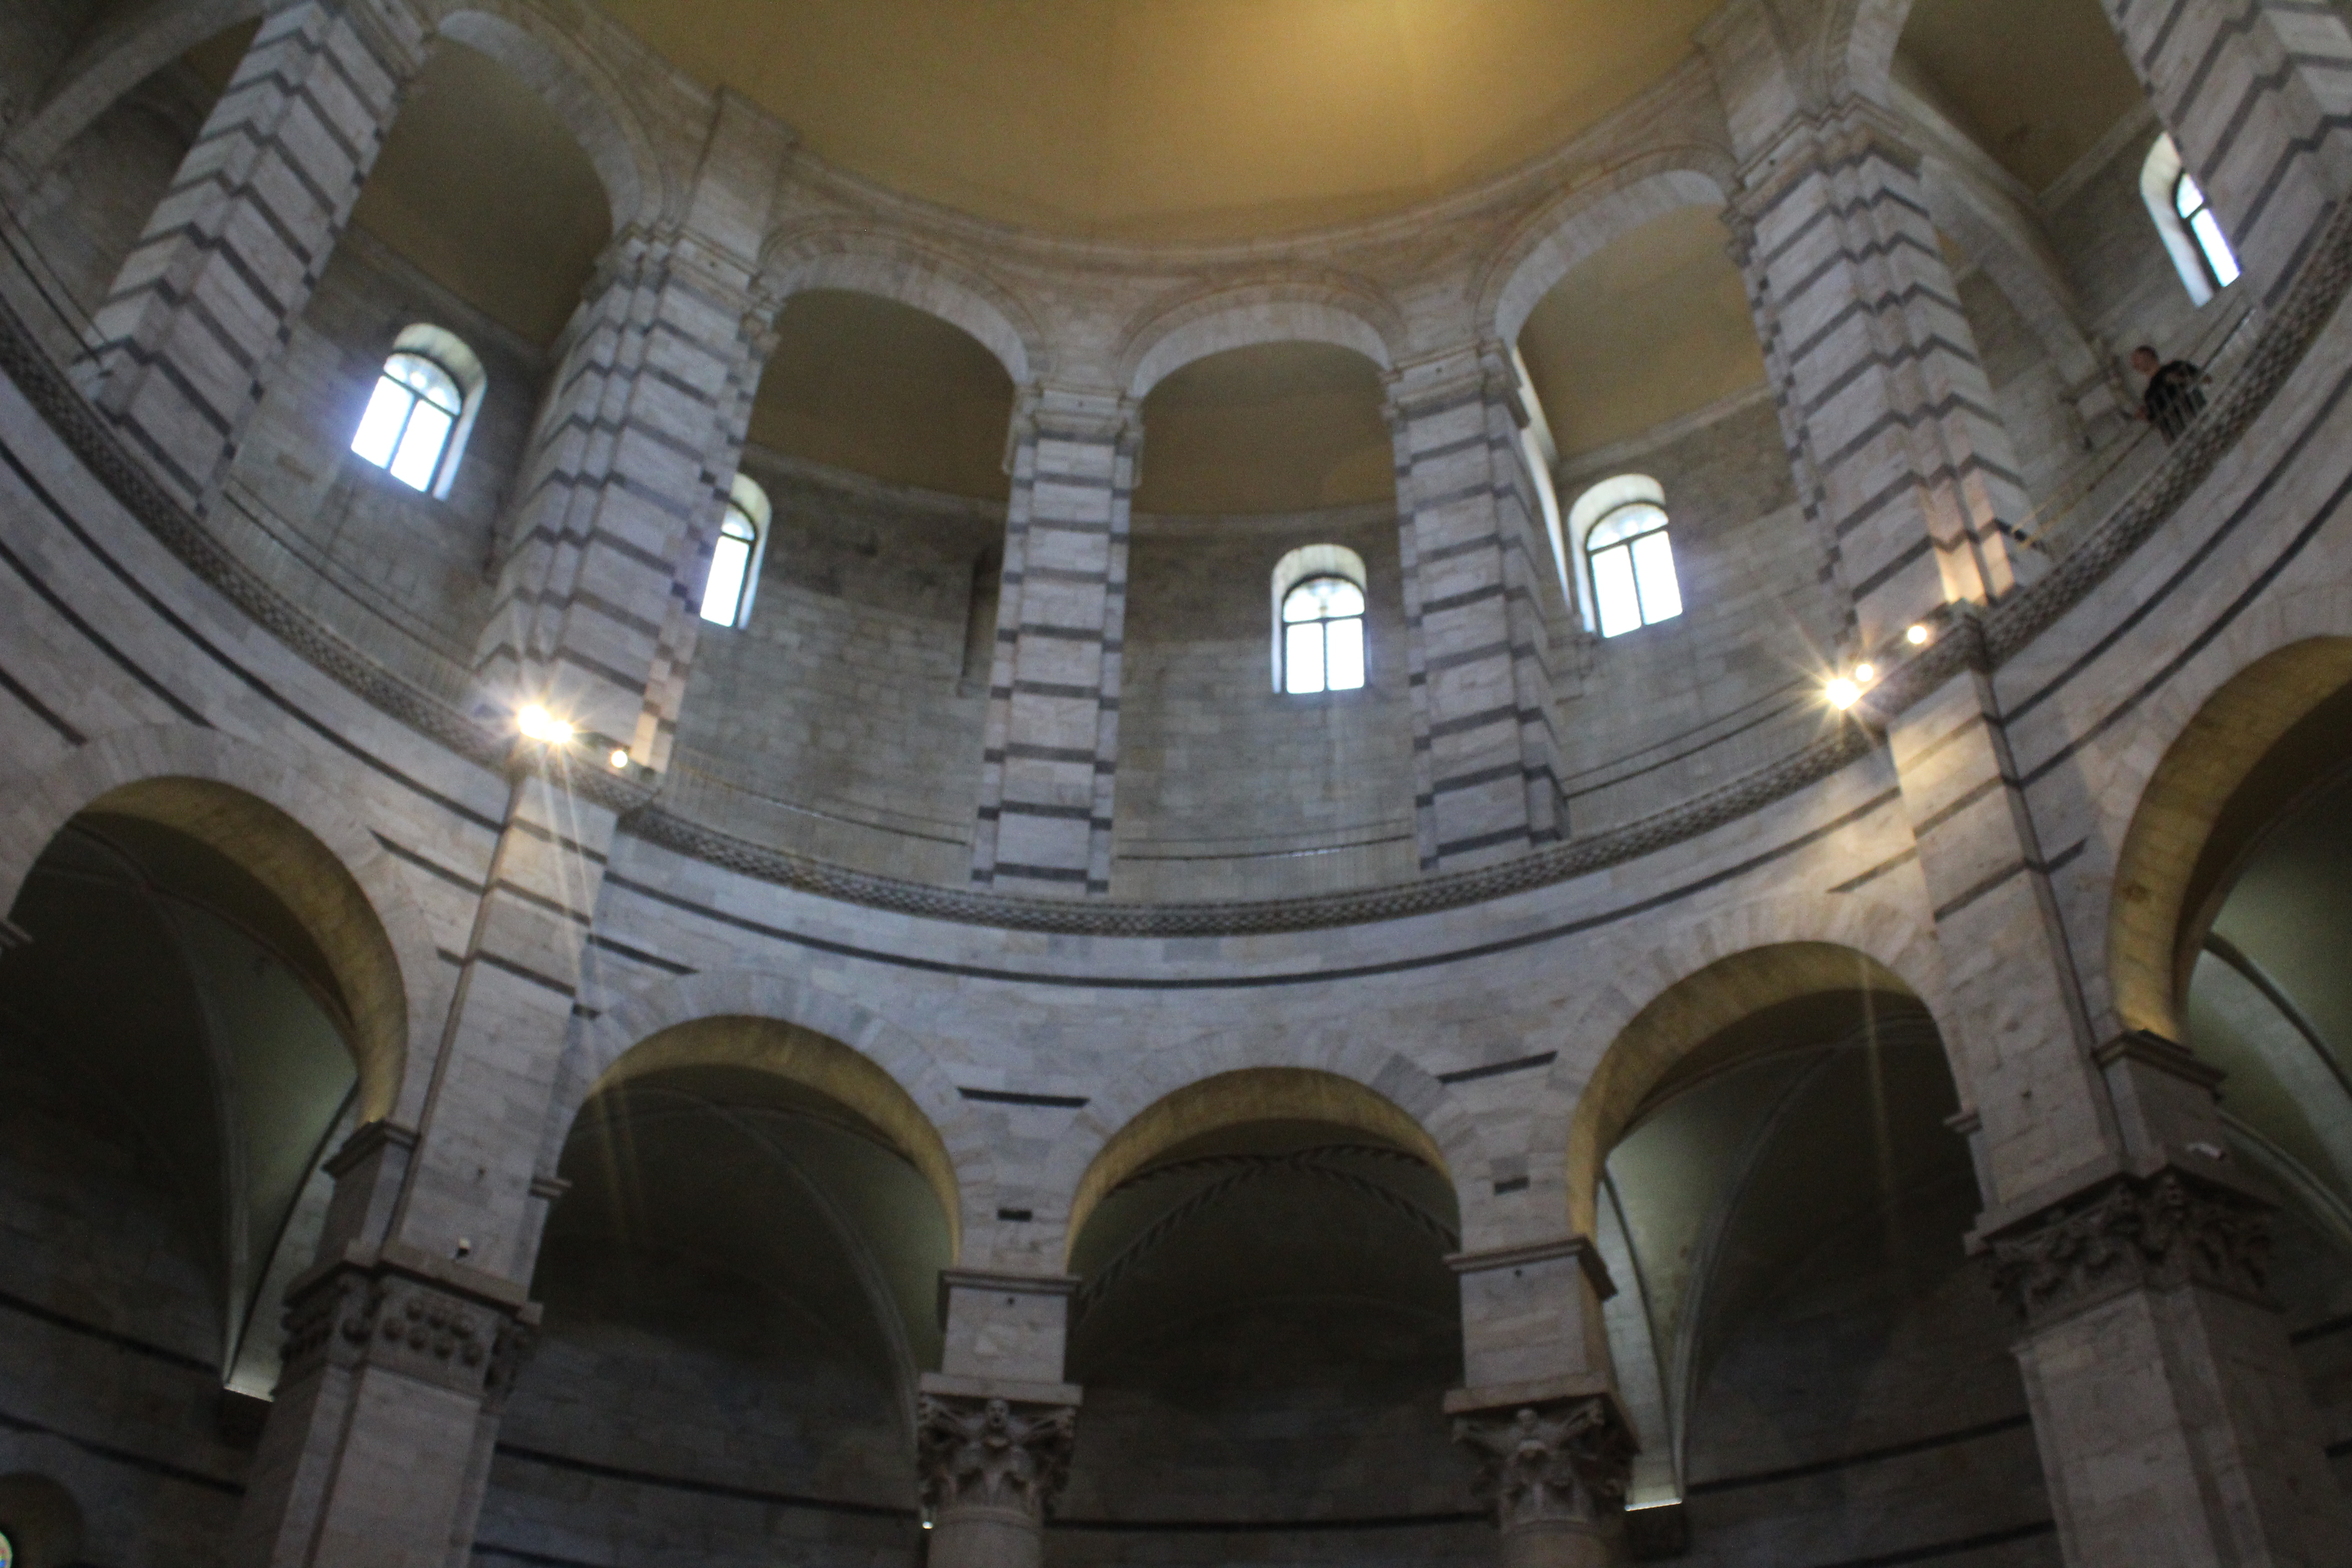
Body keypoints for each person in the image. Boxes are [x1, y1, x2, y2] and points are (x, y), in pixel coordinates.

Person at [2132, 345, 2207, 441]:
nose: (2134, 364)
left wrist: (2181, 380)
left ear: (2149, 354)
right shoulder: (2149, 394)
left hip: (2199, 417)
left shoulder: (2175, 367)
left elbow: (2206, 379)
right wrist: (2145, 417)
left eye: (2136, 358)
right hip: (2183, 435)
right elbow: (2160, 423)